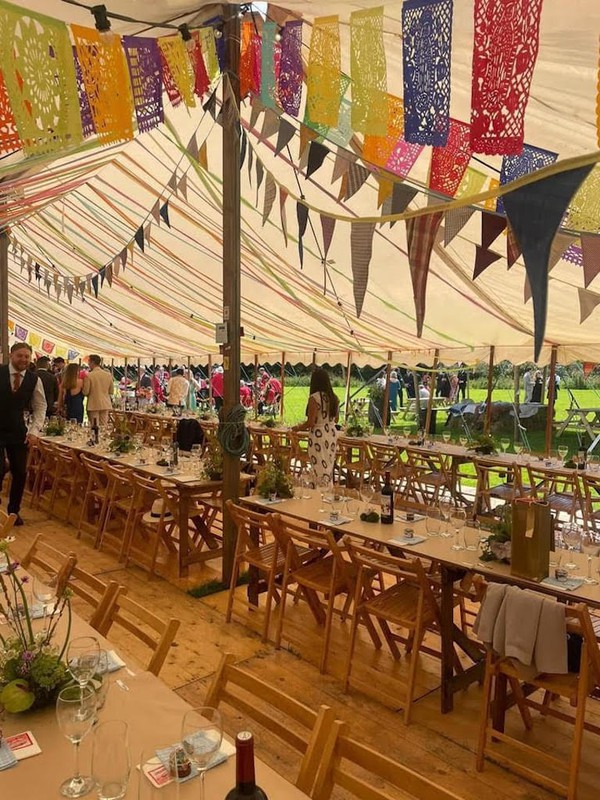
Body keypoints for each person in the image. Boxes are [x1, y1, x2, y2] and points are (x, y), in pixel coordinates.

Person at [0, 342, 47, 525]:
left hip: (18, 430)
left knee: (20, 472)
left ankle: (13, 512)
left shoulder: (34, 379)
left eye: (27, 356)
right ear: (11, 355)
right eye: (20, 355)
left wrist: (34, 431)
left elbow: (40, 406)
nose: (23, 360)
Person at [292, 367, 339, 486]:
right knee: (328, 464)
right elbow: (336, 418)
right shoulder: (334, 398)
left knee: (318, 464)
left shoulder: (315, 398)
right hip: (331, 433)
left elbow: (311, 422)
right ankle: (328, 488)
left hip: (319, 434)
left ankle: (320, 489)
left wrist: (297, 428)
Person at [82, 354, 114, 426]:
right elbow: (111, 391)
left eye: (89, 362)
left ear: (92, 362)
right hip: (105, 403)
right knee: (103, 426)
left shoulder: (89, 375)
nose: (88, 364)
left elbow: (85, 392)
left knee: (94, 426)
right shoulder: (108, 375)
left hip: (93, 404)